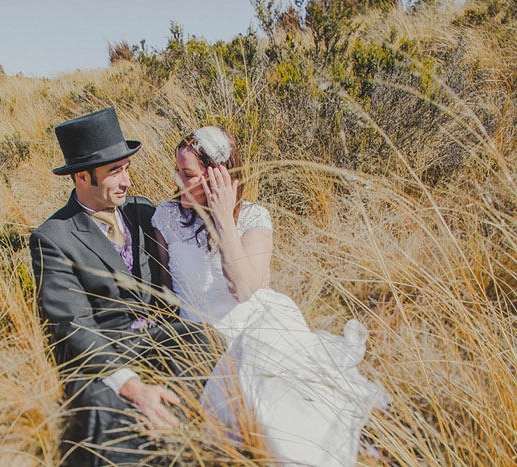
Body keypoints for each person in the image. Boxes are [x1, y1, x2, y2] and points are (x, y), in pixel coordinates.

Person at [151, 126, 390, 466]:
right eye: (177, 171)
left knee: (265, 367)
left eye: (187, 174)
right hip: (199, 338)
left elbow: (245, 289)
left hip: (250, 324)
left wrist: (222, 219)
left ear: (218, 176)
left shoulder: (253, 217)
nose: (178, 181)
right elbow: (163, 289)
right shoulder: (167, 216)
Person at [29, 108, 215, 466]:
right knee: (109, 414)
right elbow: (71, 324)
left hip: (160, 340)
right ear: (82, 176)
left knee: (204, 339)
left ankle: (181, 440)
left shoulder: (145, 212)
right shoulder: (53, 237)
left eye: (126, 168)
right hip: (105, 358)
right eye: (115, 171)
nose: (126, 180)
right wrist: (133, 387)